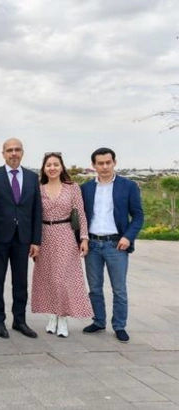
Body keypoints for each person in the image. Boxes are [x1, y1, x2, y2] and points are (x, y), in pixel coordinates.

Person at [81, 147, 144, 343]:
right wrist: (82, 238)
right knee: (95, 288)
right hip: (92, 244)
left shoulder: (128, 186)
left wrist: (128, 237)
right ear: (94, 166)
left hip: (117, 244)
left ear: (114, 162)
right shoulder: (86, 188)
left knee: (119, 289)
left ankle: (119, 325)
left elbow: (138, 216)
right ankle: (99, 321)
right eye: (100, 163)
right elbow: (81, 216)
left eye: (108, 162)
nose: (105, 166)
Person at [31, 152, 93, 338]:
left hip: (65, 234)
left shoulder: (72, 188)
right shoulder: (39, 189)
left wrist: (84, 238)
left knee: (63, 279)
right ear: (44, 168)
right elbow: (33, 216)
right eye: (48, 165)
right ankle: (52, 315)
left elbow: (80, 213)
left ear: (61, 167)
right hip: (44, 236)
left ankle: (63, 317)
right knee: (48, 277)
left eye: (55, 164)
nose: (52, 168)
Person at [0, 138, 42, 339]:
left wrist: (36, 241)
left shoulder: (32, 177)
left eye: (17, 149)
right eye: (9, 150)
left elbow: (37, 210)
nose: (14, 153)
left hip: (23, 238)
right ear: (3, 154)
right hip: (0, 238)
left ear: (23, 152)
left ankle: (19, 320)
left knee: (20, 282)